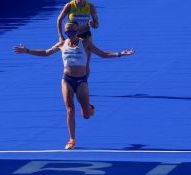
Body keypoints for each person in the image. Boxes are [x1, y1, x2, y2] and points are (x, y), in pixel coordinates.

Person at [14, 20, 134, 150]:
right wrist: (27, 51)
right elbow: (46, 53)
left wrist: (120, 54)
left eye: (73, 31)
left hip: (81, 81)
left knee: (86, 115)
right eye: (68, 32)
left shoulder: (85, 43)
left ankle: (88, 106)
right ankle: (71, 139)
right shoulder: (62, 44)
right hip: (67, 80)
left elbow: (103, 54)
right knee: (70, 109)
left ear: (77, 31)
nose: (70, 34)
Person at [56, 0, 99, 76]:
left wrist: (93, 24)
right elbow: (59, 19)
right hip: (72, 37)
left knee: (86, 63)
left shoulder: (90, 6)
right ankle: (70, 82)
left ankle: (84, 84)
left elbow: (97, 24)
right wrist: (60, 35)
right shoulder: (69, 6)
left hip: (86, 35)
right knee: (70, 62)